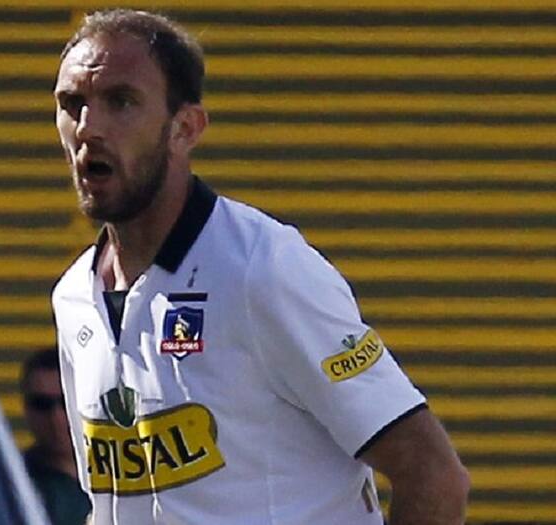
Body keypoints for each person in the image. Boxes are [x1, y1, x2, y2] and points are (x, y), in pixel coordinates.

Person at [50, 8, 470, 525]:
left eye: (121, 102)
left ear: (186, 128)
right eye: (73, 104)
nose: (89, 127)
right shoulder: (74, 296)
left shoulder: (263, 269)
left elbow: (433, 473)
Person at [20, 350, 91, 525]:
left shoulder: (126, 474)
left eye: (66, 402)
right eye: (42, 404)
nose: (56, 417)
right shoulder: (12, 482)